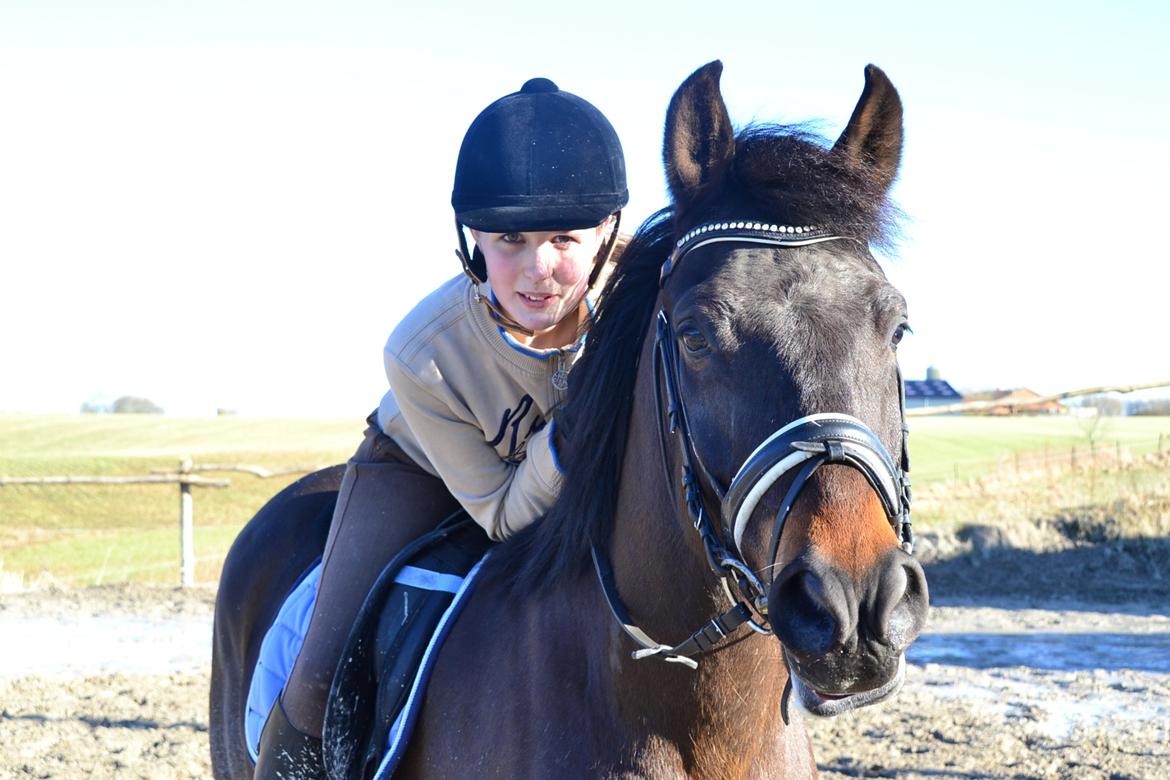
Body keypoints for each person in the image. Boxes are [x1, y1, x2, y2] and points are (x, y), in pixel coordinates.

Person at [253, 76, 628, 778]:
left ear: (607, 230)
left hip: (575, 470)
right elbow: (501, 513)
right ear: (472, 237)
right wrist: (574, 434)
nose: (539, 270)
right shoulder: (419, 350)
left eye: (565, 239)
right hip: (419, 468)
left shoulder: (652, 291)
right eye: (510, 238)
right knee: (319, 674)